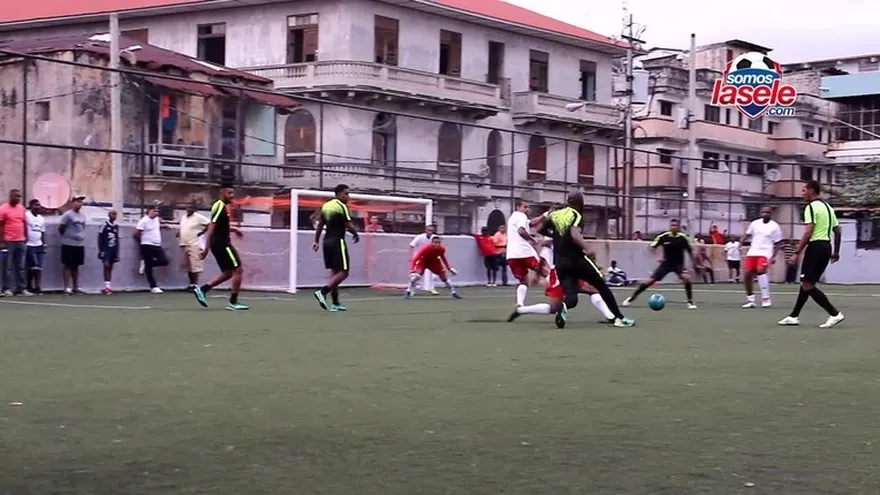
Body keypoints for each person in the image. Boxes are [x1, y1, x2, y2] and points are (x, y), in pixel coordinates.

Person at [531, 192, 633, 328]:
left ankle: (563, 307)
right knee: (601, 285)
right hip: (578, 261)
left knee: (572, 298)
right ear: (580, 202)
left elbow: (540, 229)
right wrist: (587, 247)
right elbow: (574, 234)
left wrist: (555, 235)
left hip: (561, 264)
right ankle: (619, 318)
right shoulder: (576, 215)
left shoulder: (554, 215)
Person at [778, 180, 845, 328]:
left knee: (807, 284)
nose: (802, 193)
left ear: (811, 191)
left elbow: (809, 232)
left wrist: (797, 252)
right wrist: (836, 251)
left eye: (804, 190)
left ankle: (834, 313)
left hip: (816, 246)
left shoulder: (811, 207)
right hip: (826, 246)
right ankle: (794, 316)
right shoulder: (828, 207)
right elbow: (838, 230)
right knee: (807, 283)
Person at [509, 240, 616, 323]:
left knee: (555, 307)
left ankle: (520, 310)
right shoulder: (560, 240)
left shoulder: (557, 241)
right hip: (563, 273)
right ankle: (610, 316)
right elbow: (542, 260)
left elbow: (542, 261)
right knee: (593, 291)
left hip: (562, 274)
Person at [194, 184, 248, 311]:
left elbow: (219, 226)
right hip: (222, 244)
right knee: (238, 270)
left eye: (233, 193)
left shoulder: (222, 206)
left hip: (219, 244)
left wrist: (233, 229)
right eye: (229, 193)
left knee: (228, 272)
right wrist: (206, 248)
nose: (232, 196)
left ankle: (202, 289)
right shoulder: (219, 205)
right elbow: (211, 227)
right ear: (222, 193)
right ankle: (233, 302)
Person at [623, 219, 697, 309]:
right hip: (666, 264)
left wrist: (693, 263)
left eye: (675, 226)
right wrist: (657, 256)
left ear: (678, 227)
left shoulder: (683, 238)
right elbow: (651, 247)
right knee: (650, 281)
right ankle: (631, 299)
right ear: (670, 226)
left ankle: (690, 302)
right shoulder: (663, 236)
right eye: (672, 225)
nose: (673, 227)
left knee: (687, 279)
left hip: (678, 264)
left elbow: (690, 251)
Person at [312, 184, 359, 311]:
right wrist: (356, 234)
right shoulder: (341, 206)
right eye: (346, 193)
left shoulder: (326, 206)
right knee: (344, 272)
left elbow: (320, 225)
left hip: (326, 242)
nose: (348, 196)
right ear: (338, 194)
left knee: (334, 273)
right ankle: (323, 292)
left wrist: (316, 241)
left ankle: (335, 303)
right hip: (338, 241)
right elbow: (348, 224)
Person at [741, 207, 783, 308]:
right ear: (761, 213)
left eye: (767, 212)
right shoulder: (755, 223)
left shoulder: (775, 226)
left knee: (760, 270)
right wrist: (740, 242)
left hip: (765, 252)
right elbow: (747, 235)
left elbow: (778, 243)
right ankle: (751, 300)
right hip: (753, 251)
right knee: (747, 275)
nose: (765, 214)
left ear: (771, 214)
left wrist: (773, 256)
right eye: (763, 212)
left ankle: (766, 298)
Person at [506, 199, 545, 306]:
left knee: (523, 281)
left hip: (511, 255)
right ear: (518, 207)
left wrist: (545, 215)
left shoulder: (513, 217)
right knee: (544, 270)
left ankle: (520, 303)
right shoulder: (521, 216)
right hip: (524, 251)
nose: (528, 209)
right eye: (525, 207)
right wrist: (532, 239)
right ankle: (559, 290)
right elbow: (521, 231)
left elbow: (531, 223)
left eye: (528, 207)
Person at [134, 204, 169, 294]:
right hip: (147, 245)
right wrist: (143, 241)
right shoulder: (143, 221)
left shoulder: (157, 220)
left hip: (157, 245)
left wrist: (164, 226)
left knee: (164, 261)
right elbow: (136, 234)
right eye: (154, 211)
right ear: (148, 211)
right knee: (149, 267)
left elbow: (156, 226)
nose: (156, 213)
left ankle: (146, 264)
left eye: (157, 211)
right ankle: (153, 286)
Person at [0, 189, 28, 296]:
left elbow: (24, 223)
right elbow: (1, 226)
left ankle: (21, 288)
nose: (18, 199)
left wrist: (25, 237)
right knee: (7, 267)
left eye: (19, 197)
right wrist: (1, 241)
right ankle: (7, 288)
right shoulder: (3, 209)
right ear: (10, 196)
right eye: (16, 196)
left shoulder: (21, 208)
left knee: (21, 266)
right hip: (8, 241)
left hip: (20, 240)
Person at [58, 195, 87, 294]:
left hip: (79, 244)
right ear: (73, 202)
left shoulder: (82, 216)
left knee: (76, 265)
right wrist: (67, 236)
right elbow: (61, 227)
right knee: (67, 265)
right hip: (68, 244)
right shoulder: (68, 215)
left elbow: (83, 228)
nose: (79, 203)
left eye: (81, 202)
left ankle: (76, 286)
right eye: (78, 201)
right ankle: (67, 287)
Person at [178, 201, 210, 290]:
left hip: (195, 243)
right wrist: (179, 232)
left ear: (195, 210)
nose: (189, 210)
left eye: (191, 208)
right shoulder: (184, 217)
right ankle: (191, 284)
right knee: (188, 266)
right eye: (188, 208)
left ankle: (195, 285)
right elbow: (183, 227)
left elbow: (209, 224)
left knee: (195, 265)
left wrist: (202, 232)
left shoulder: (199, 217)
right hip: (184, 243)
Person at [97, 209, 120, 295]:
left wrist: (118, 252)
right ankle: (106, 287)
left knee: (111, 267)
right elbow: (99, 237)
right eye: (112, 214)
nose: (114, 216)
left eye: (115, 214)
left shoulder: (116, 226)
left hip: (113, 249)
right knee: (106, 266)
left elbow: (117, 239)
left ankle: (108, 286)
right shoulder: (104, 225)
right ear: (109, 215)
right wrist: (100, 250)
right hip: (106, 249)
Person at [25, 199, 45, 294]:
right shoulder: (27, 215)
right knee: (33, 266)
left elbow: (43, 232)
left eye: (39, 205)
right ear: (31, 206)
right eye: (36, 205)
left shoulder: (41, 218)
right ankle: (29, 285)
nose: (38, 207)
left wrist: (44, 244)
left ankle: (37, 286)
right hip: (30, 244)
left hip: (39, 244)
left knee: (39, 267)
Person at [409, 225, 437, 294]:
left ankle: (431, 288)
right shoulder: (420, 237)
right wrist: (411, 257)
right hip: (419, 258)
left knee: (434, 274)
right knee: (416, 276)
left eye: (432, 230)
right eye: (429, 230)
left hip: (429, 258)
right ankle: (411, 290)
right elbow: (411, 245)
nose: (430, 232)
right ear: (425, 230)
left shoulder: (434, 238)